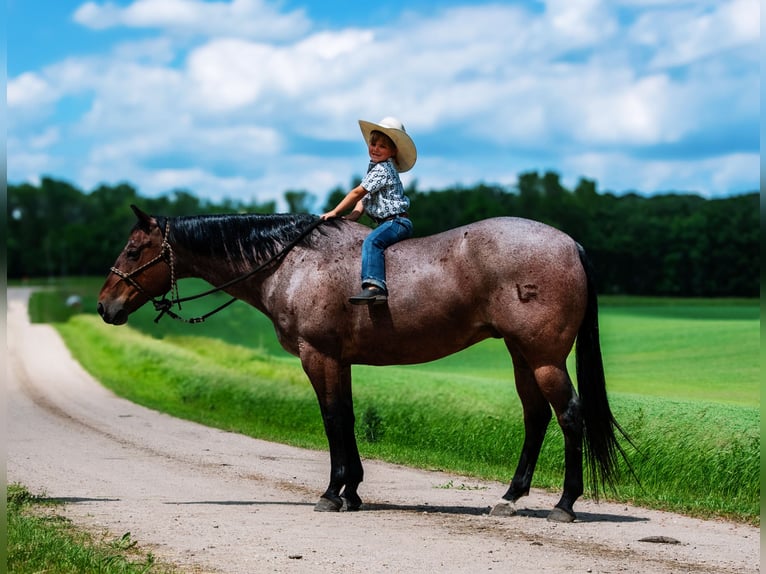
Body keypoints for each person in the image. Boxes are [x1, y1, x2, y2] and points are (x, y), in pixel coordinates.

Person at [321, 117, 417, 305]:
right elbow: (366, 199)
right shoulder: (375, 169)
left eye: (382, 146)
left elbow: (358, 192)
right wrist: (354, 215)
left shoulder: (383, 169)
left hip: (395, 222)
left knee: (372, 242)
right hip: (390, 222)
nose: (375, 148)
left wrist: (334, 211)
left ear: (392, 152)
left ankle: (375, 287)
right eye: (373, 144)